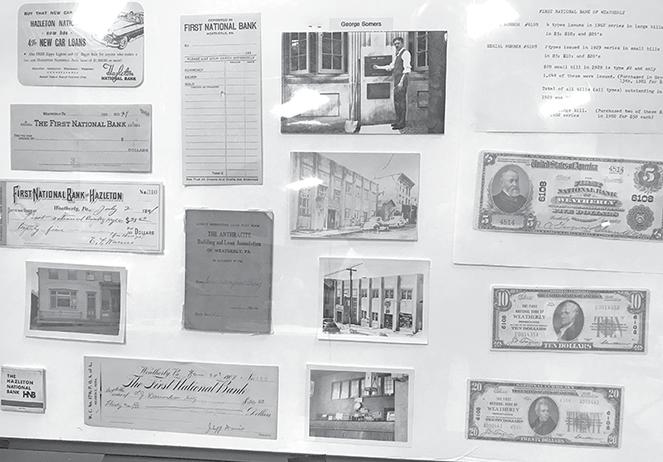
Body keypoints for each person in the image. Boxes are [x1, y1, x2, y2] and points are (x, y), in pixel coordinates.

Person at [372, 37, 411, 130]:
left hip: (402, 81)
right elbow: (390, 67)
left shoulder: (405, 53)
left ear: (402, 43)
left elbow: (407, 70)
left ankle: (402, 123)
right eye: (395, 44)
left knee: (401, 102)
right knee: (397, 102)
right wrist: (378, 67)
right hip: (397, 81)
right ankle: (398, 121)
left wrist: (401, 82)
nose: (396, 45)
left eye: (398, 43)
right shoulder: (397, 55)